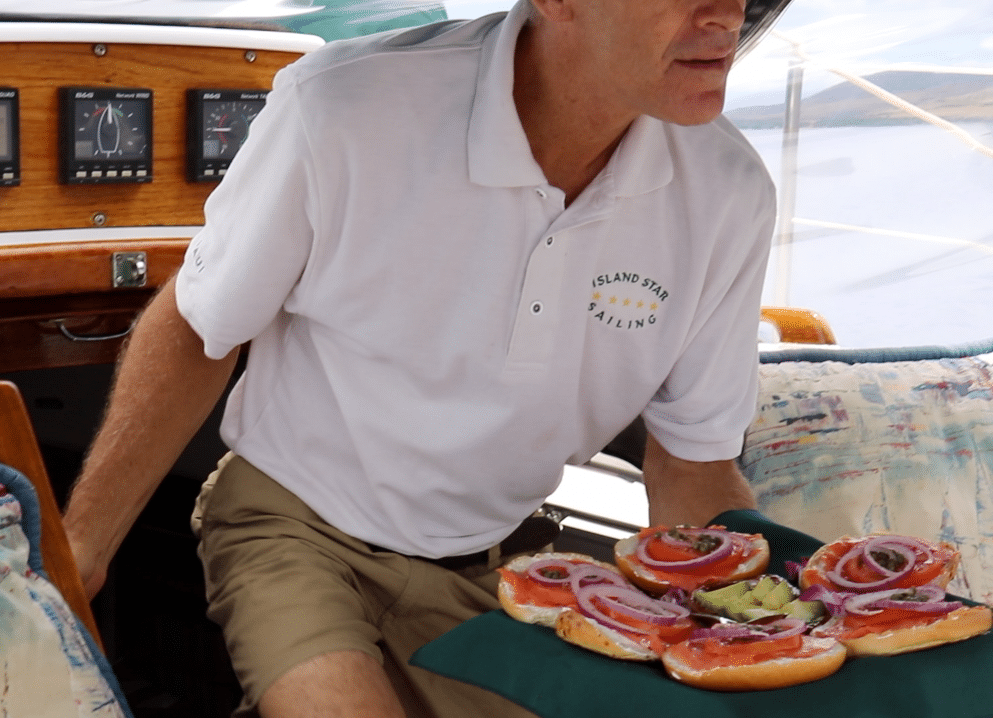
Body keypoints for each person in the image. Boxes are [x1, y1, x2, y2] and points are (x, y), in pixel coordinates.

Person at [62, 0, 772, 716]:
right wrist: (81, 550)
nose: (726, 16)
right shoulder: (342, 107)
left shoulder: (728, 193)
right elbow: (200, 326)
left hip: (499, 561)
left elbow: (691, 463)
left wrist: (773, 622)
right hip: (294, 525)